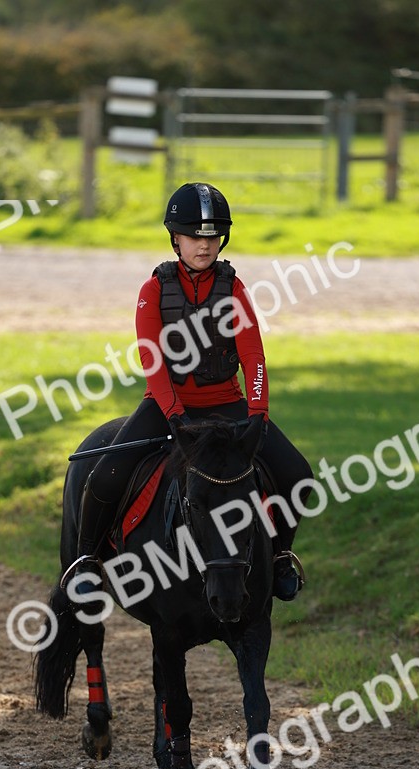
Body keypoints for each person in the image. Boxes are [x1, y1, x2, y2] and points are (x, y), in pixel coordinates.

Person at [70, 181, 312, 601]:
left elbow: (254, 358)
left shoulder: (235, 290)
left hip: (228, 405)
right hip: (168, 408)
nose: (205, 245)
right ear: (175, 239)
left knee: (297, 475)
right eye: (195, 237)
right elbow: (154, 363)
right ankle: (88, 561)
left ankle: (279, 556)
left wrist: (258, 412)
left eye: (213, 237)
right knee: (104, 477)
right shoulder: (153, 292)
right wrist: (176, 414)